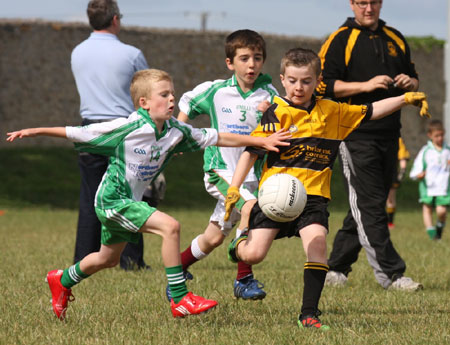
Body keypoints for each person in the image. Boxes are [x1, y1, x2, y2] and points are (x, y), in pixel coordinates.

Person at [6, 69, 290, 320]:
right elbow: (77, 132)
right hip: (113, 200)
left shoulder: (175, 131)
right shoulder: (126, 127)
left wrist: (260, 140)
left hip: (129, 202)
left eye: (173, 94)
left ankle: (62, 279)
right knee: (171, 227)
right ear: (144, 103)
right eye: (164, 95)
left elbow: (216, 136)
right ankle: (179, 298)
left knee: (108, 259)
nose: (171, 100)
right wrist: (34, 131)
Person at [225, 48, 430, 330]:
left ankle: (309, 314)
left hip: (313, 199)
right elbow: (251, 151)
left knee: (318, 243)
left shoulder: (332, 111)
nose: (299, 87)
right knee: (254, 255)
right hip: (275, 197)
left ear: (318, 81)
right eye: (293, 80)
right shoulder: (275, 114)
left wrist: (405, 99)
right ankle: (240, 242)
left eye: (306, 81)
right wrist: (234, 189)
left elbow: (370, 111)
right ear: (283, 79)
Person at [316, 0, 423, 291]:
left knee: (367, 204)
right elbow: (321, 86)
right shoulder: (340, 39)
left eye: (373, 2)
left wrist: (409, 83)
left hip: (390, 134)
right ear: (352, 4)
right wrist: (364, 86)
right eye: (362, 3)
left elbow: (414, 77)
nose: (368, 8)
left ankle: (336, 268)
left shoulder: (396, 38)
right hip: (354, 134)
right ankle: (391, 275)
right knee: (371, 205)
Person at [173, 29, 278, 300]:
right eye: (244, 58)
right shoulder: (216, 91)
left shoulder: (269, 94)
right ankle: (244, 279)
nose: (251, 64)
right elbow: (188, 102)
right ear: (230, 63)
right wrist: (178, 136)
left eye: (257, 57)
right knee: (252, 210)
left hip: (252, 175)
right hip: (220, 171)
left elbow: (284, 123)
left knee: (214, 236)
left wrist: (272, 112)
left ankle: (177, 269)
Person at [71, 0, 150, 270]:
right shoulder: (131, 54)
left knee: (90, 195)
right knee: (129, 195)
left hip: (89, 129)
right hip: (122, 129)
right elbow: (145, 89)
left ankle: (83, 258)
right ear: (115, 19)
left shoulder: (77, 52)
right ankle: (131, 261)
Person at [409, 120, 450, 240]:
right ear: (430, 135)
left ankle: (439, 228)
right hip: (428, 186)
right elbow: (418, 166)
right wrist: (418, 174)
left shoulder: (447, 150)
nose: (440, 138)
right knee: (427, 208)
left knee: (441, 211)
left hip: (443, 185)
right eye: (437, 135)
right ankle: (432, 235)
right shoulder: (426, 151)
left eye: (442, 135)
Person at [386, 137, 410, 229]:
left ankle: (390, 222)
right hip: (377, 171)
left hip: (391, 172)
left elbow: (402, 155)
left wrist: (403, 170)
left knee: (390, 198)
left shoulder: (397, 139)